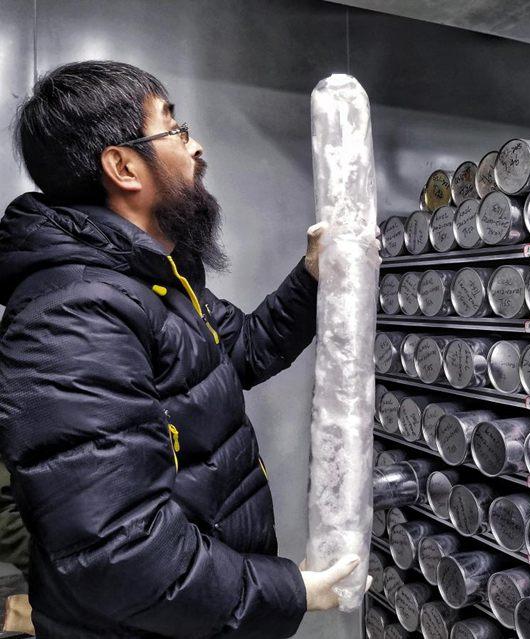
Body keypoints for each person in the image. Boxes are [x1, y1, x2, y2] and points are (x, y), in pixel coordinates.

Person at [0, 60, 362, 638]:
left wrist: (313, 276)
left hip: (193, 616)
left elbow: (242, 349)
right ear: (123, 166)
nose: (195, 147)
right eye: (174, 128)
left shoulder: (149, 280)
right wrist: (289, 590)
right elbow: (122, 553)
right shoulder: (74, 313)